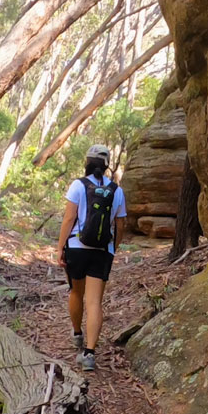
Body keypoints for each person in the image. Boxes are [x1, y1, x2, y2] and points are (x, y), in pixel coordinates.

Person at [55, 144, 127, 371]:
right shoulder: (117, 190)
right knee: (94, 301)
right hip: (102, 251)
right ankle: (89, 353)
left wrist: (59, 248)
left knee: (76, 291)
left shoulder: (78, 185)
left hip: (77, 247)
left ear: (87, 162)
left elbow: (68, 219)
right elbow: (120, 223)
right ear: (106, 166)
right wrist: (113, 248)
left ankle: (77, 334)